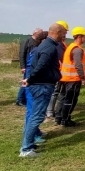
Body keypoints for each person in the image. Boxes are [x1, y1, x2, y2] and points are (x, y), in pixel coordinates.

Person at [20, 24, 64, 157]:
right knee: (37, 116)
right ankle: (26, 149)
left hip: (40, 84)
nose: (64, 36)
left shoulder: (45, 46)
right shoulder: (49, 47)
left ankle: (29, 144)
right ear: (56, 32)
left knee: (34, 115)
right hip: (42, 86)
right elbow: (41, 66)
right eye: (63, 33)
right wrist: (30, 79)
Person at [55, 26, 85, 126]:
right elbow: (78, 65)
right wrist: (82, 78)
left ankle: (59, 118)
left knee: (63, 98)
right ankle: (66, 120)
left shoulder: (70, 46)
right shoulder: (77, 50)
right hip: (73, 79)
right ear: (79, 36)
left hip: (66, 78)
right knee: (70, 100)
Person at [21, 30, 48, 148]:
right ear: (43, 40)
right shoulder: (37, 52)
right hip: (33, 85)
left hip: (34, 84)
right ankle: (32, 137)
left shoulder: (38, 51)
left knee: (33, 111)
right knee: (32, 111)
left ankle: (35, 132)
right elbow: (32, 70)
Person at [46, 20, 69, 121]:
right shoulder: (58, 44)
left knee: (56, 92)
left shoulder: (62, 43)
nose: (66, 34)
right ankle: (49, 112)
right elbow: (60, 58)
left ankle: (50, 111)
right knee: (54, 92)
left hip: (59, 72)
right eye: (65, 31)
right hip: (57, 72)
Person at [16, 28, 44, 106]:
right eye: (40, 34)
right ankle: (20, 99)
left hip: (33, 65)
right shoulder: (26, 42)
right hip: (27, 66)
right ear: (35, 33)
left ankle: (24, 99)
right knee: (26, 82)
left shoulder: (38, 42)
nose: (41, 36)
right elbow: (22, 54)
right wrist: (22, 66)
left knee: (29, 82)